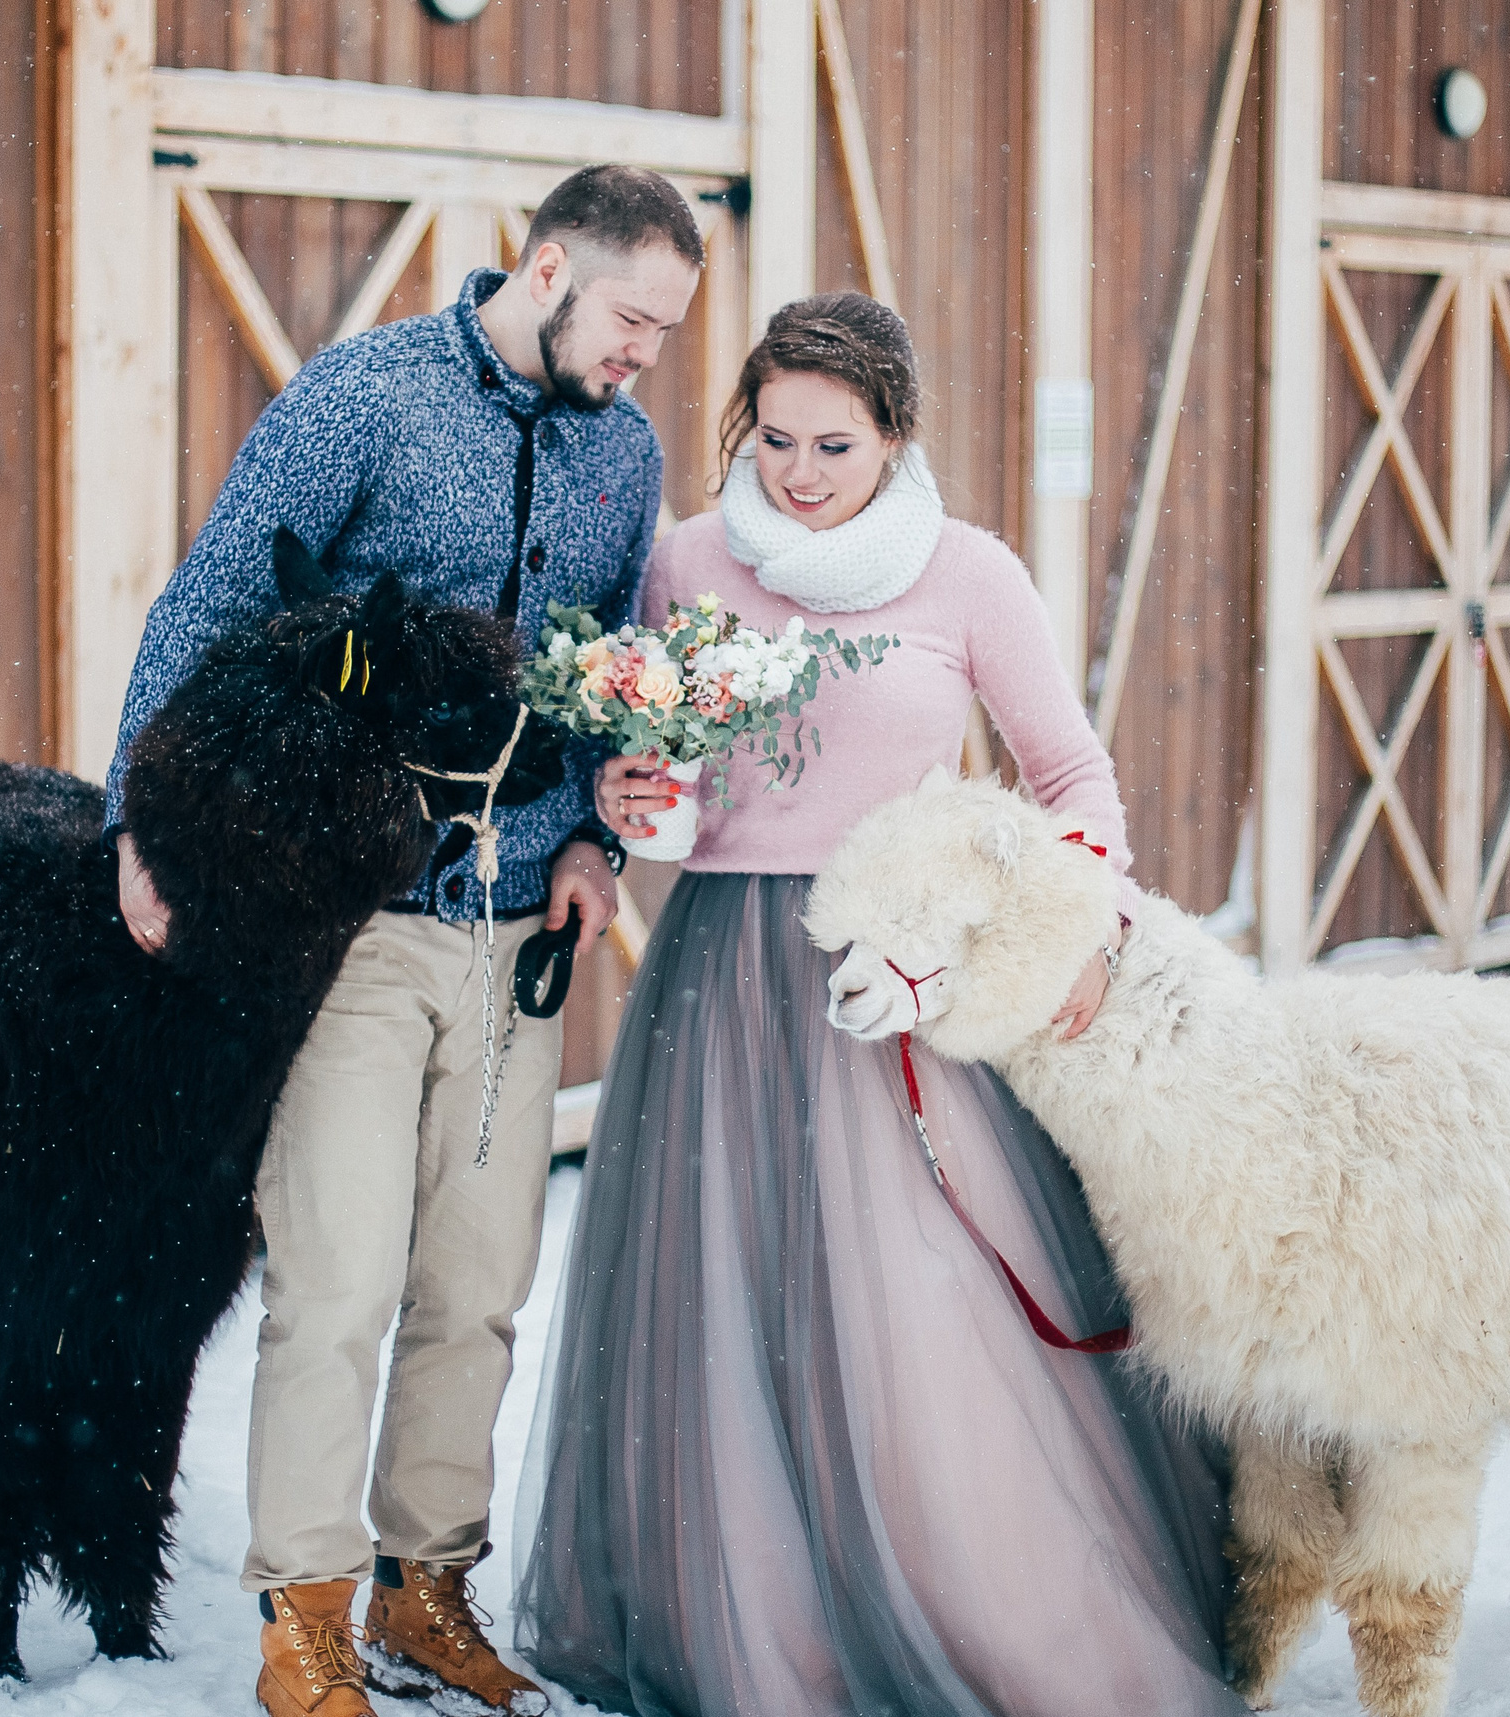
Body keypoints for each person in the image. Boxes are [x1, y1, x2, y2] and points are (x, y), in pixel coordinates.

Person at [513, 294, 1246, 1717]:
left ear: (897, 437)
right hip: (722, 981)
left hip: (904, 982)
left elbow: (1075, 785)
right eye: (775, 438)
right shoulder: (683, 562)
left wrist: (1068, 933)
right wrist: (625, 801)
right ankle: (754, 1629)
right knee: (720, 1308)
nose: (798, 471)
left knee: (925, 1313)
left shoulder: (968, 576)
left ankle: (978, 1608)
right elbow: (644, 776)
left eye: (834, 445)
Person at [102, 165, 702, 1717]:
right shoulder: (362, 397)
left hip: (520, 943)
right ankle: (300, 1623)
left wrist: (596, 835)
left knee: (477, 1288)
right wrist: (135, 823)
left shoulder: (624, 458)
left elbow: (604, 684)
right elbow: (211, 605)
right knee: (339, 1278)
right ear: (551, 265)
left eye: (668, 330)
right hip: (352, 927)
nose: (646, 352)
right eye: (633, 316)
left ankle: (424, 1591)